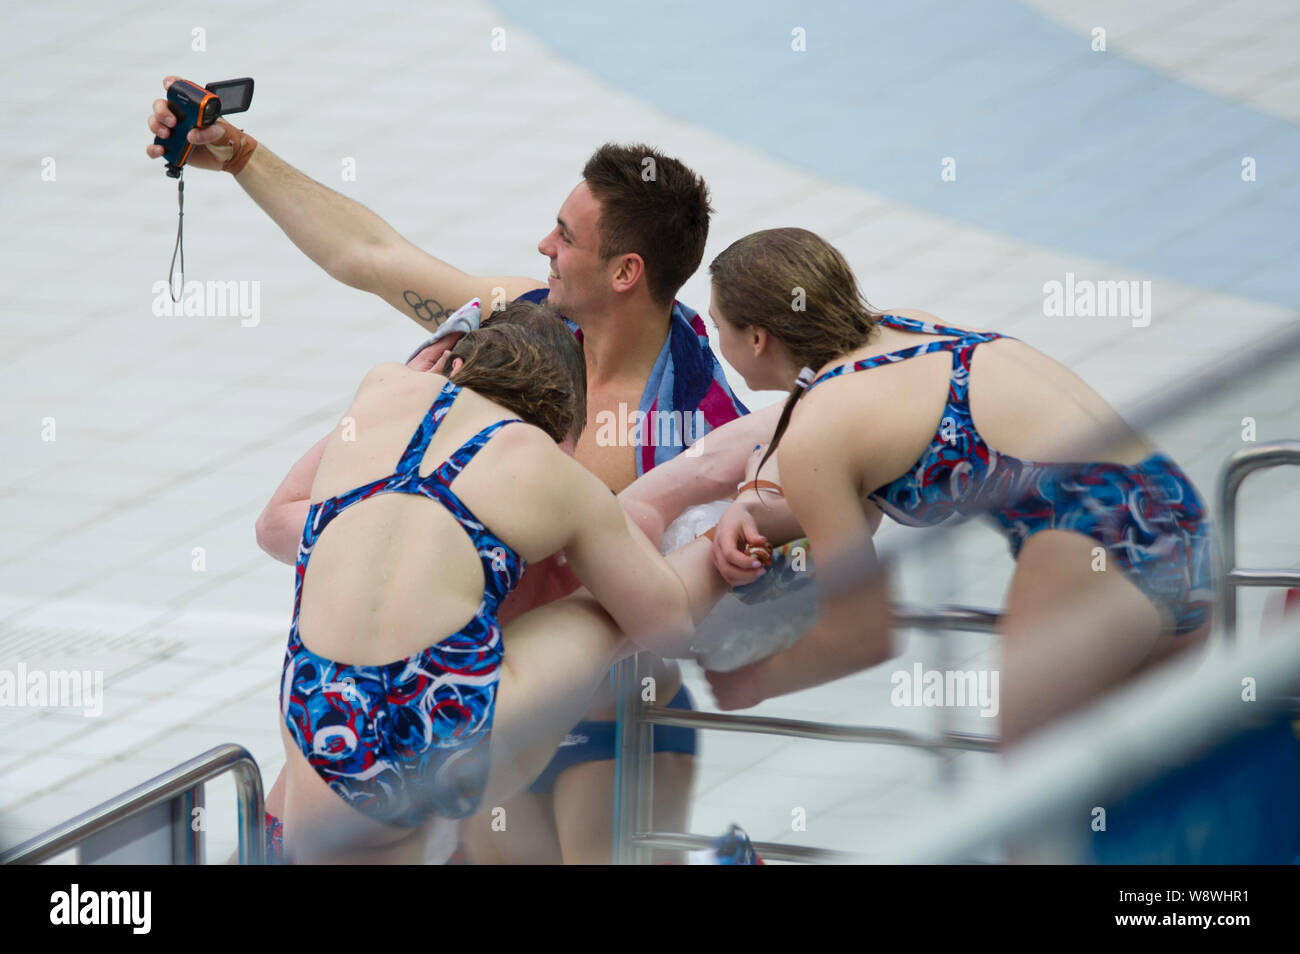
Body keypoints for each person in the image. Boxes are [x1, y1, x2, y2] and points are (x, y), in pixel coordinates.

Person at [148, 81, 751, 862]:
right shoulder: (520, 320)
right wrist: (235, 153)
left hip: (593, 721)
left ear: (626, 272)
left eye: (564, 236)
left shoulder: (695, 420)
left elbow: (738, 606)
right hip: (459, 694)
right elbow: (369, 256)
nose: (543, 247)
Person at [700, 228, 1214, 744]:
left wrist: (753, 681)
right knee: (1113, 788)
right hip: (1179, 521)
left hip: (1089, 537)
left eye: (718, 325)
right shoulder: (907, 326)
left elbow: (863, 634)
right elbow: (859, 500)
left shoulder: (814, 429)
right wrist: (763, 514)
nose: (716, 338)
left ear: (757, 338)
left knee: (1031, 795)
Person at [268, 300, 740, 863]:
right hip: (444, 718)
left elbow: (277, 519)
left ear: (454, 363)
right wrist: (713, 539)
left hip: (323, 713)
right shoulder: (552, 470)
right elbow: (667, 626)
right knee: (609, 615)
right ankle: (734, 536)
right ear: (565, 423)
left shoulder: (382, 388)